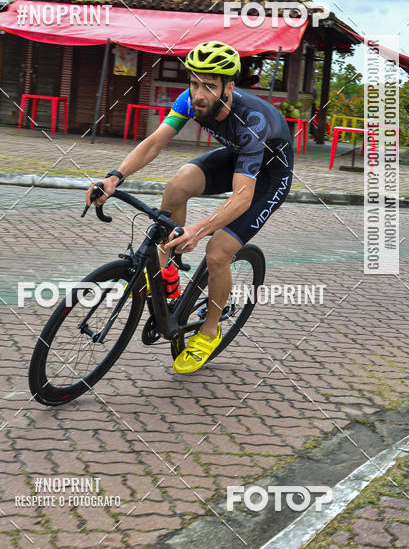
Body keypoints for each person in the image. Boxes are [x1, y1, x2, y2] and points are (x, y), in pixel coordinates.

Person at [86, 41, 293, 374]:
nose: (199, 94)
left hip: (270, 176)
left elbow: (242, 196)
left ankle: (210, 330)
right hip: (237, 159)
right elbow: (154, 142)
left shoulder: (251, 121)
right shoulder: (190, 100)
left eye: (209, 86)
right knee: (178, 184)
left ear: (229, 87)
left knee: (218, 251)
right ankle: (168, 269)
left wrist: (199, 229)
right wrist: (114, 178)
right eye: (195, 83)